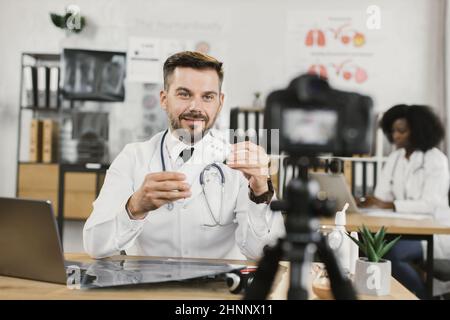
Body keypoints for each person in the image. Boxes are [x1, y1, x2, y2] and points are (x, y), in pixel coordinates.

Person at [83, 51, 286, 260]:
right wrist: (134, 208)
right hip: (149, 288)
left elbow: (264, 254)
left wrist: (261, 190)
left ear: (220, 101)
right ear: (164, 99)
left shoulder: (241, 164)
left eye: (207, 97)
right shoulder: (133, 158)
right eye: (184, 94)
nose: (195, 107)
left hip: (217, 289)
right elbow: (94, 245)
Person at [360, 104, 450, 298]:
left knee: (392, 254)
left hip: (432, 232)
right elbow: (382, 196)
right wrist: (373, 202)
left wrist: (390, 205)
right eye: (393, 131)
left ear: (418, 131)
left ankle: (420, 296)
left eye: (401, 131)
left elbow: (430, 205)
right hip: (400, 228)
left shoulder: (436, 160)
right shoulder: (395, 158)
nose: (395, 136)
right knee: (367, 248)